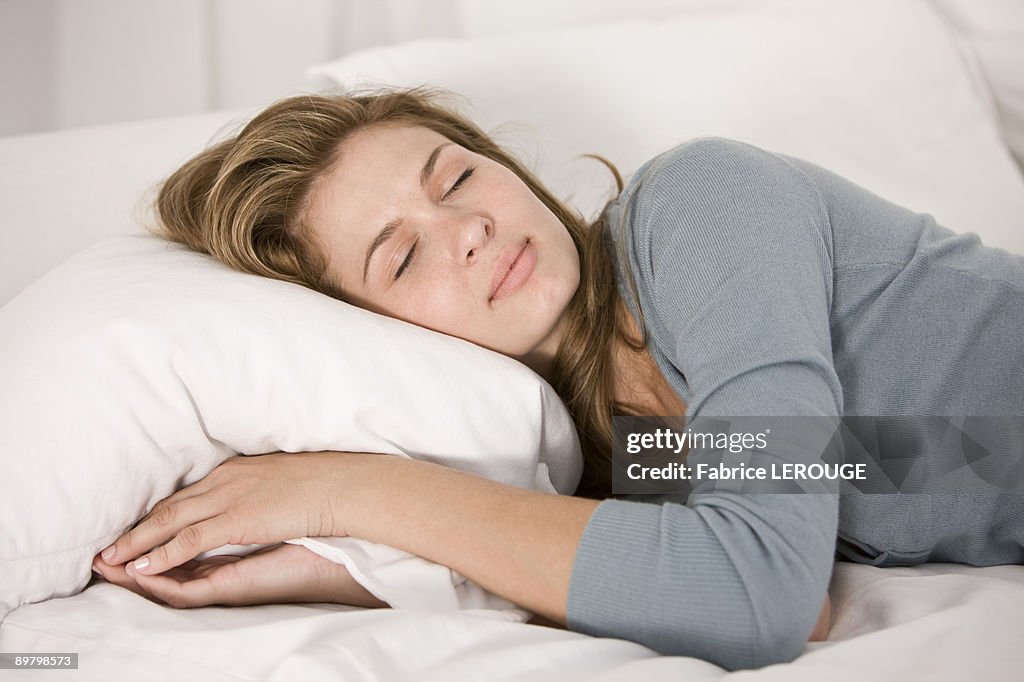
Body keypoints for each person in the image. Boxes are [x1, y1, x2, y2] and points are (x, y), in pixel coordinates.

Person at [92, 88, 1024, 670]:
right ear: (372, 337)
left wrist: (352, 494)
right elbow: (915, 472)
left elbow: (766, 592)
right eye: (403, 257)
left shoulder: (702, 204)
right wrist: (357, 574)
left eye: (455, 178)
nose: (468, 228)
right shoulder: (623, 448)